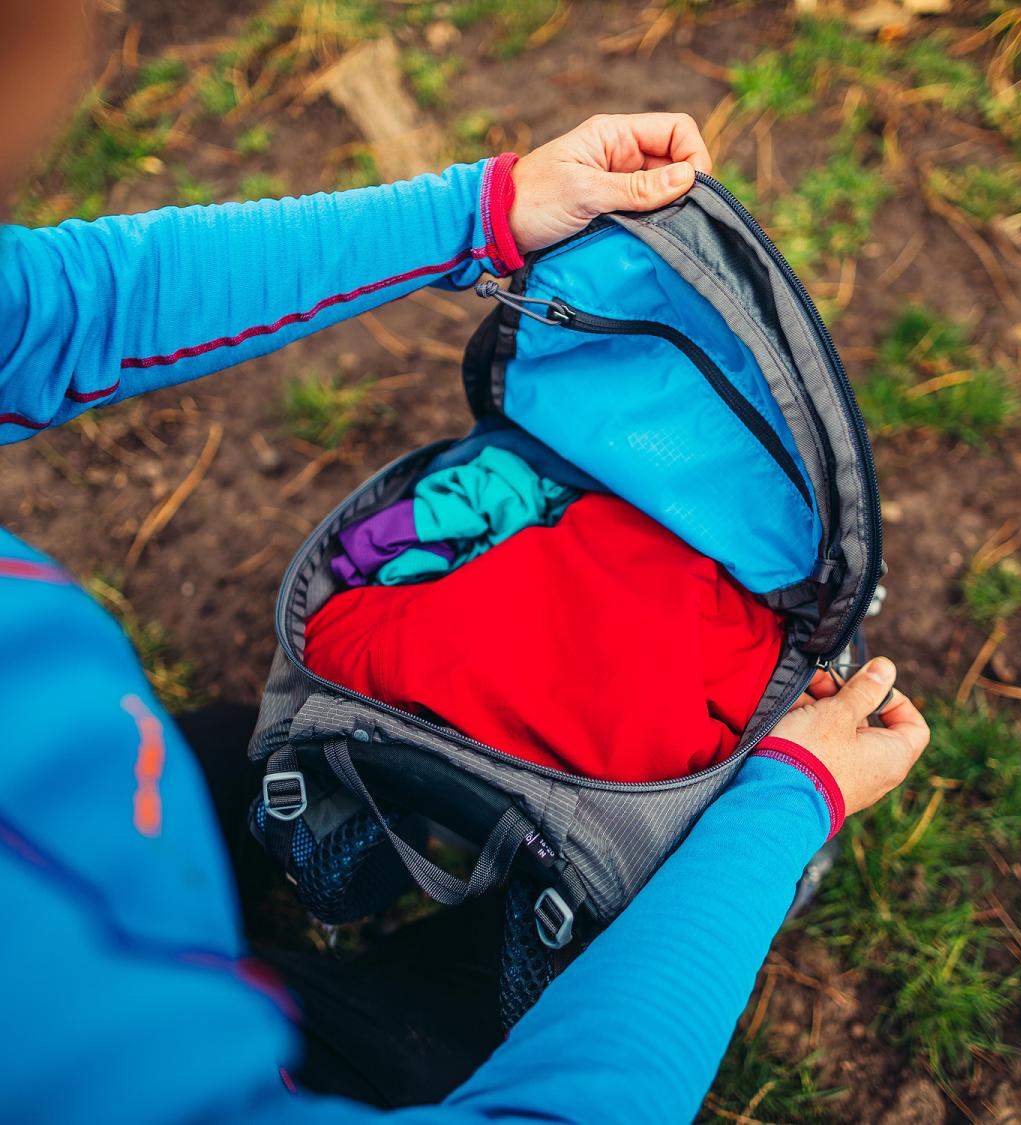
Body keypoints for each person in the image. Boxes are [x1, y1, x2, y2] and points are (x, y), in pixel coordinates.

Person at [0, 5, 930, 1121]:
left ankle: (338, 832)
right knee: (478, 1012)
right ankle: (523, 932)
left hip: (96, 825)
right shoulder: (63, 1053)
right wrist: (786, 801)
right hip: (207, 1035)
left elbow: (61, 310)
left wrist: (479, 217)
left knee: (271, 749)